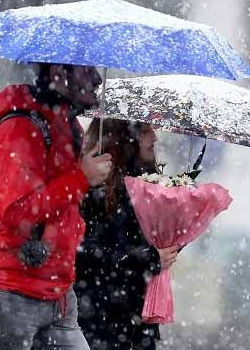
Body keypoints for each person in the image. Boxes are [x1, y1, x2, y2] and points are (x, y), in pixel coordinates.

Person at [0, 63, 112, 349]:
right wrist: (81, 178)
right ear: (59, 72)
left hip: (57, 296)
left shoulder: (68, 128)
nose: (97, 78)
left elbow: (61, 207)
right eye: (86, 71)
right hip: (7, 293)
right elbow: (16, 212)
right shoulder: (19, 127)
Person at [75, 118, 180, 350]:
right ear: (124, 135)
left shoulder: (149, 184)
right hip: (99, 319)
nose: (155, 137)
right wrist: (150, 258)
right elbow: (86, 253)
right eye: (146, 130)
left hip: (138, 321)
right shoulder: (92, 186)